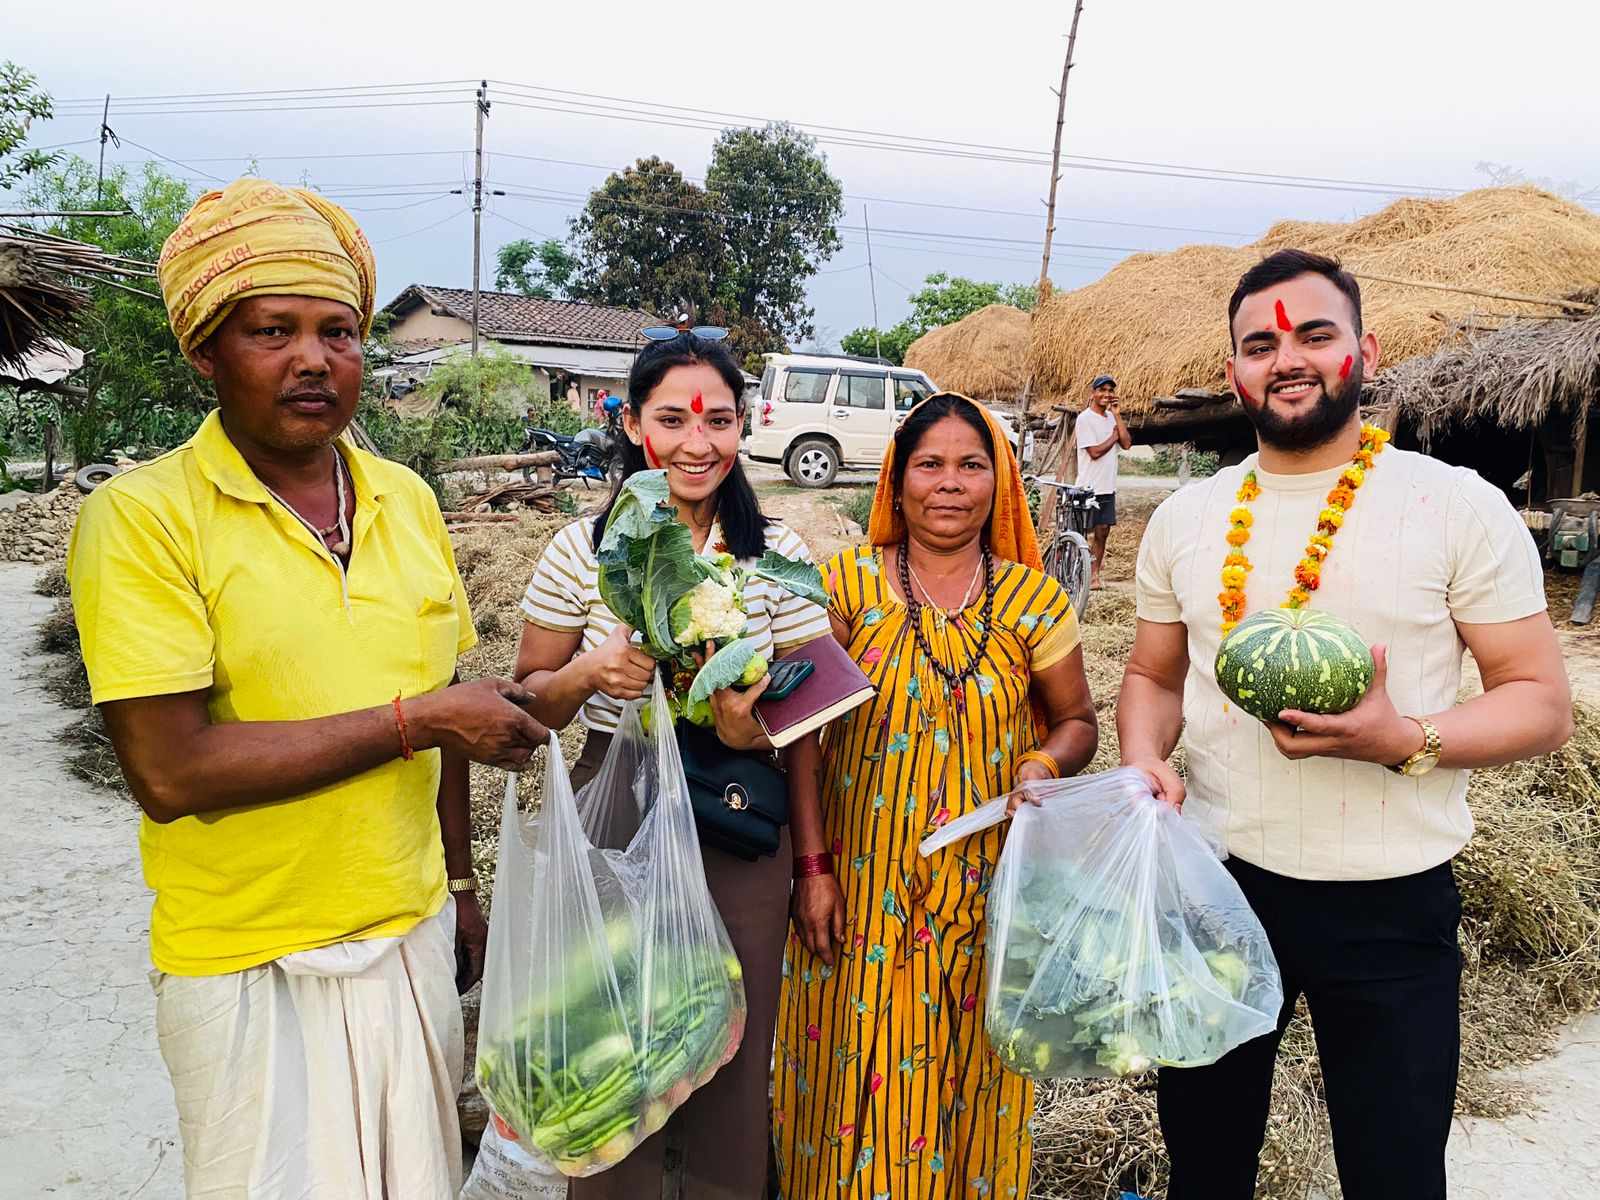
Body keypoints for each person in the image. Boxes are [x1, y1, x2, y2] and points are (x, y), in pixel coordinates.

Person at [66, 178, 550, 1199]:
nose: (312, 360)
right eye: (271, 331)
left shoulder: (405, 500)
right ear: (207, 352)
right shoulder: (144, 518)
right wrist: (417, 720)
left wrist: (462, 890)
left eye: (338, 332)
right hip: (249, 962)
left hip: (407, 937)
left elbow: (446, 702)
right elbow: (171, 770)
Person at [1118, 249, 1573, 1200]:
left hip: (1390, 898)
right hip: (1216, 888)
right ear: (1234, 369)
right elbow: (1153, 676)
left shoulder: (1452, 504)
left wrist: (1403, 738)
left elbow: (1540, 700)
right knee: (1204, 1164)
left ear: (1363, 350)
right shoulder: (1189, 518)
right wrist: (1141, 756)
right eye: (1259, 344)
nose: (1288, 358)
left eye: (1313, 335)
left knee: (1395, 1170)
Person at [513, 329, 832, 1200]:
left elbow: (809, 723)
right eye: (673, 420)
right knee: (610, 1049)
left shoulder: (782, 559)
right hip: (616, 813)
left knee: (730, 1053)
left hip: (740, 817)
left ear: (744, 426)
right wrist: (587, 673)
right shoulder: (581, 552)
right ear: (635, 429)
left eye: (720, 420)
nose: (700, 443)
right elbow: (525, 704)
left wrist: (809, 860)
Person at [773, 392, 1100, 1200]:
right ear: (897, 478)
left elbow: (1079, 721)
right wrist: (812, 867)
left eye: (971, 465)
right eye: (929, 464)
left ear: (1000, 482)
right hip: (862, 894)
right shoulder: (844, 589)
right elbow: (801, 735)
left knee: (973, 1087)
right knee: (856, 1089)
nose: (949, 484)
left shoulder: (1032, 602)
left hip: (988, 895)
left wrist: (1045, 765)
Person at [1073, 373, 1132, 589]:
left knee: (1103, 531)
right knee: (1082, 532)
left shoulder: (1111, 419)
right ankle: (1078, 572)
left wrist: (1117, 417)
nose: (1107, 394)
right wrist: (1113, 437)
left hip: (1107, 486)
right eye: (1102, 390)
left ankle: (1094, 575)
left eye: (1110, 390)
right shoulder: (1084, 419)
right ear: (1093, 393)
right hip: (1088, 487)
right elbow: (1095, 452)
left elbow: (1126, 443)